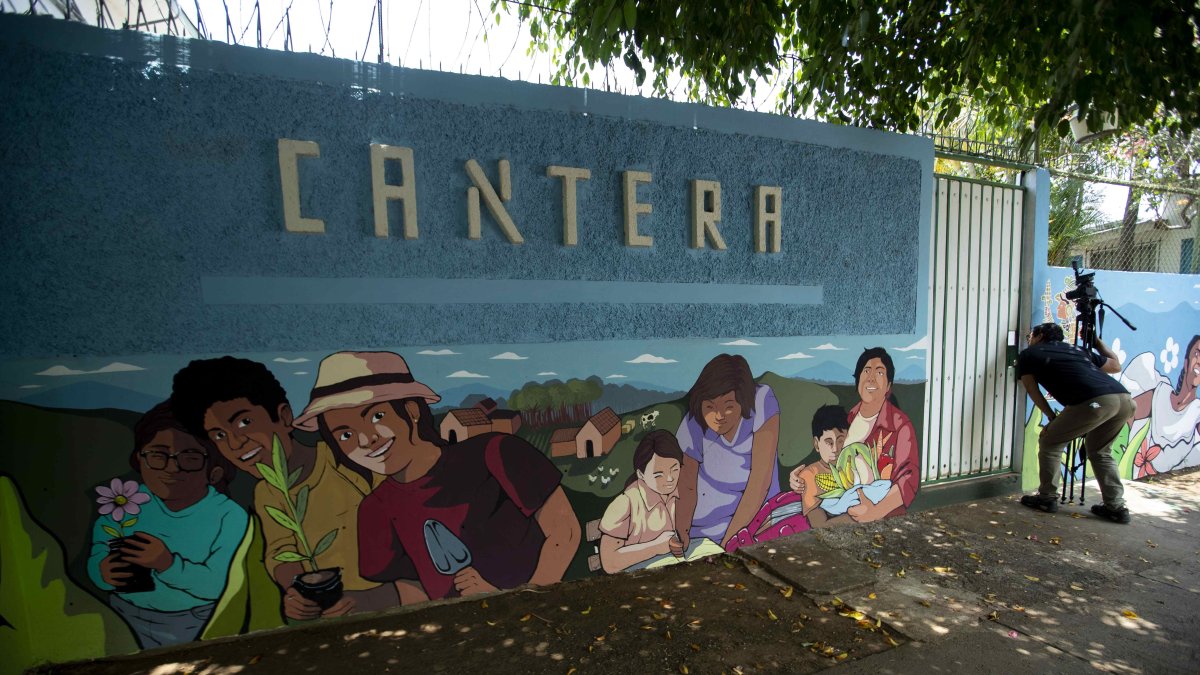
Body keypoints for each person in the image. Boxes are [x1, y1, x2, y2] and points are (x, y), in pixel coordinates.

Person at [293, 351, 580, 604]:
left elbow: (564, 530)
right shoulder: (375, 509)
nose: (366, 440)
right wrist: (350, 603)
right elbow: (413, 589)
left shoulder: (494, 453)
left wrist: (521, 599)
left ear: (411, 410)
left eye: (377, 416)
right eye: (345, 434)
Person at [171, 357, 395, 620]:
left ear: (284, 416)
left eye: (244, 423)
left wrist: (377, 598)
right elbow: (280, 552)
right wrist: (294, 592)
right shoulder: (267, 493)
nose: (235, 443)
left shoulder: (350, 463)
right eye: (219, 435)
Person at [88, 401, 248, 648]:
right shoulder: (124, 502)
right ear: (139, 461)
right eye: (157, 455)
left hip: (193, 620)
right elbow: (100, 547)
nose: (172, 468)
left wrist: (167, 564)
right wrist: (103, 572)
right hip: (124, 612)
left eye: (191, 457)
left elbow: (221, 584)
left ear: (214, 472)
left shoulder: (227, 516)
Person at [1017, 322, 1135, 523]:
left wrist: (1050, 416)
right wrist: (1096, 342)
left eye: (1031, 335)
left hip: (1095, 402)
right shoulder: (1077, 350)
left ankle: (1046, 498)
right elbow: (1115, 365)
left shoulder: (1030, 354)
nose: (1029, 339)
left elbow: (1031, 388)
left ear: (1040, 335)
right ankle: (1115, 507)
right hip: (1124, 400)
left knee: (1050, 442)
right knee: (1100, 451)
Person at [674, 354, 781, 550]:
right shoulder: (692, 424)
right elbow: (686, 487)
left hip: (754, 523)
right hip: (703, 530)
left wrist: (730, 542)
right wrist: (682, 532)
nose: (719, 416)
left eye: (729, 406)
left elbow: (760, 481)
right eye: (709, 407)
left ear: (743, 400)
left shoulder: (761, 400)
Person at [799, 348, 918, 523]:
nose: (871, 378)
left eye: (879, 372)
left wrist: (875, 512)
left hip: (883, 521)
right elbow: (828, 461)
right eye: (866, 370)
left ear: (889, 385)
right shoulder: (847, 419)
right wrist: (799, 478)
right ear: (858, 379)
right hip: (841, 518)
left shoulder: (900, 426)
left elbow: (908, 480)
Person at [598, 430, 685, 573]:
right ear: (641, 474)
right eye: (658, 474)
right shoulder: (625, 504)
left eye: (675, 470)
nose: (670, 479)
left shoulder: (678, 495)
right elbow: (609, 563)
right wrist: (658, 547)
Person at [1120, 334, 1200, 475]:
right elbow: (1128, 412)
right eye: (1197, 354)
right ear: (1187, 363)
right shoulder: (1160, 394)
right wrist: (1120, 449)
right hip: (1135, 473)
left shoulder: (1196, 412)